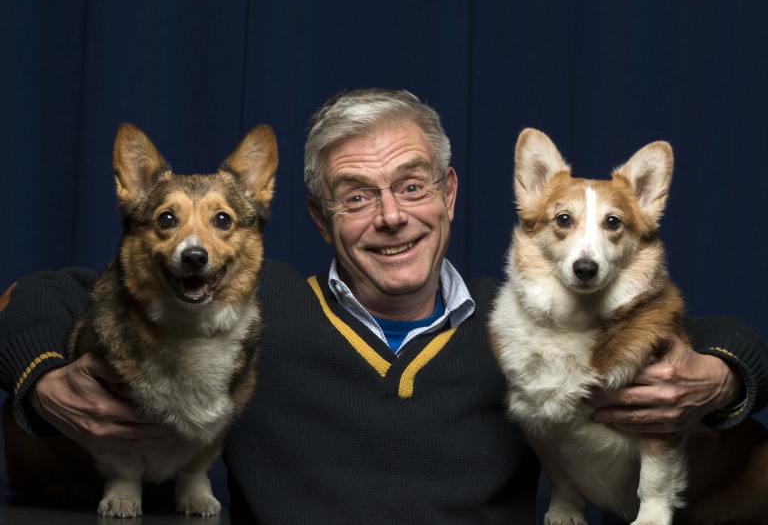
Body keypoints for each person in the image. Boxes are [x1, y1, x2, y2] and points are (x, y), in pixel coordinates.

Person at [1, 88, 767, 524]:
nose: (391, 216)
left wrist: (725, 376)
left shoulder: (533, 325)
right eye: (357, 196)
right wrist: (39, 378)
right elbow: (42, 294)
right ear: (317, 217)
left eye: (412, 185)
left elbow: (706, 336)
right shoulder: (244, 308)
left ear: (450, 195)